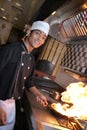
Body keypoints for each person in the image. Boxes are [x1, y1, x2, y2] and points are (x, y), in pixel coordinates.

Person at [0, 21, 50, 130]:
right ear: (29, 32)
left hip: (11, 104)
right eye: (37, 33)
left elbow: (28, 81)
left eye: (43, 37)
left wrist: (38, 94)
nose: (39, 39)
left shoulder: (31, 59)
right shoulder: (10, 50)